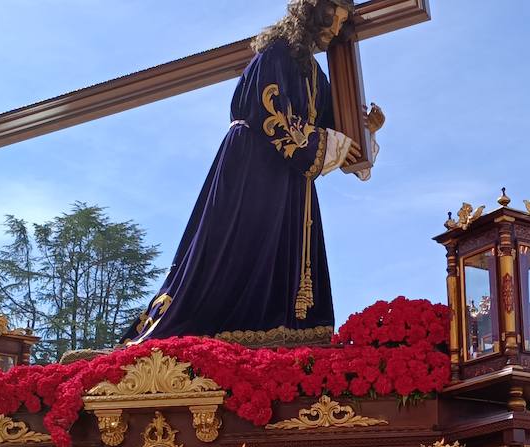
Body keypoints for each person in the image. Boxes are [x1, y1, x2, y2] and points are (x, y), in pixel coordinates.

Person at [126, 0, 365, 345]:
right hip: (253, 168)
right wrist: (333, 143)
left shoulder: (316, 76)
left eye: (341, 25)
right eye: (331, 21)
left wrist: (362, 132)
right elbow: (271, 116)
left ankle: (276, 333)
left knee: (282, 257)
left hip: (291, 181)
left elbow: (333, 133)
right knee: (237, 248)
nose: (334, 31)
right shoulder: (277, 54)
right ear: (311, 12)